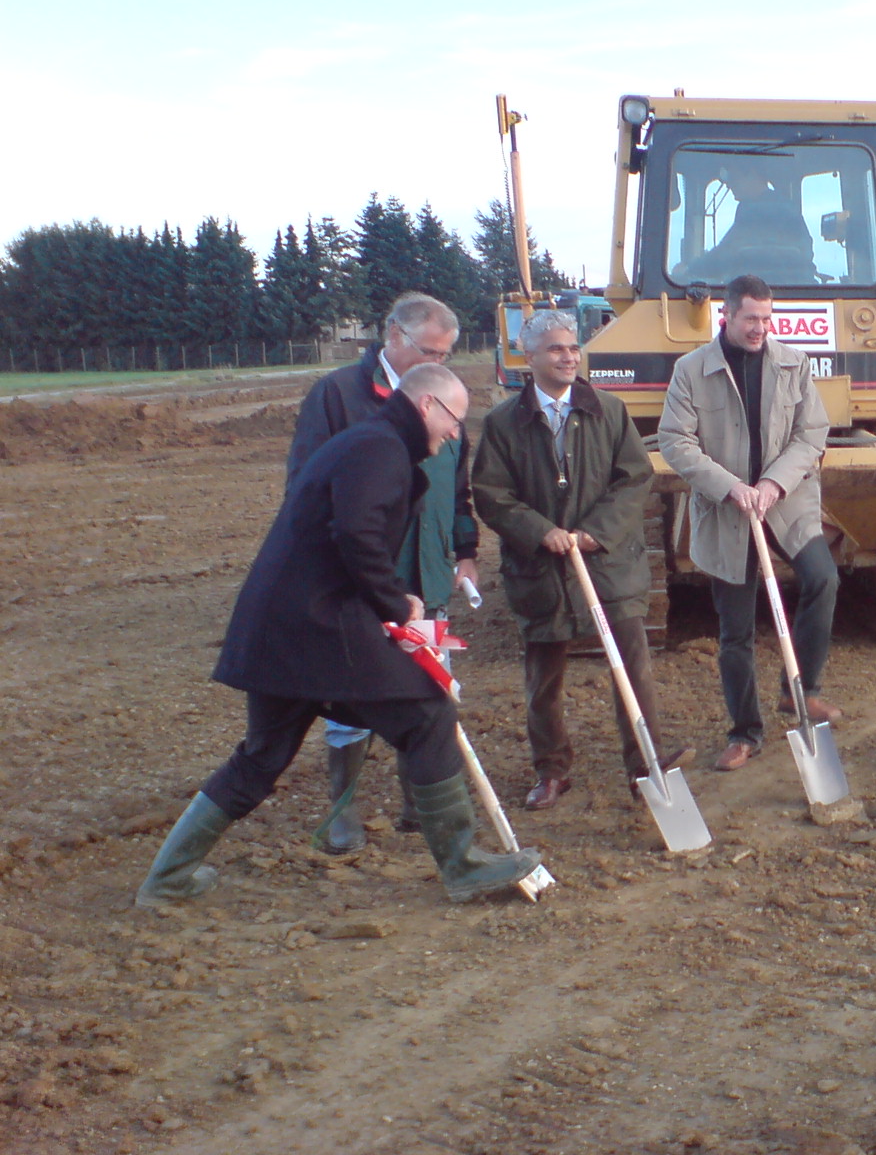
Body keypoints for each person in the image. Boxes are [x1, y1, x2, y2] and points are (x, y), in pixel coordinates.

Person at [136, 364, 541, 909]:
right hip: (318, 627)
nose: (455, 436)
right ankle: (463, 868)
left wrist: (389, 600)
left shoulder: (369, 441)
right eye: (453, 421)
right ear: (426, 406)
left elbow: (349, 534)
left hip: (281, 628)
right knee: (427, 715)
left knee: (262, 755)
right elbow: (356, 534)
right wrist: (396, 602)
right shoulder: (378, 448)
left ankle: (166, 880)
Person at [472, 310, 690, 810]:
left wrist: (596, 532)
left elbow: (635, 478)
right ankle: (551, 770)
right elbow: (490, 493)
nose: (568, 356)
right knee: (543, 677)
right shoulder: (505, 423)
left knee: (632, 668)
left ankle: (645, 764)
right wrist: (539, 531)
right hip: (541, 571)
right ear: (528, 358)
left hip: (608, 565)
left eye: (573, 347)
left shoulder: (609, 412)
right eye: (555, 349)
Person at [287, 292, 479, 852]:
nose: (437, 364)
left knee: (430, 685)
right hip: (366, 576)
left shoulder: (446, 402)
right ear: (392, 335)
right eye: (429, 352)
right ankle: (342, 811)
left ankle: (421, 804)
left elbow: (456, 489)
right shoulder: (339, 396)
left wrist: (463, 550)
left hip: (427, 567)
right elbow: (307, 489)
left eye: (445, 355)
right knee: (354, 694)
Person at [658, 273, 840, 771]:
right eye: (751, 319)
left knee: (823, 578)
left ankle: (799, 689)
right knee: (735, 630)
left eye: (767, 317)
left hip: (786, 500)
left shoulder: (793, 364)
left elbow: (812, 433)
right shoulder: (692, 370)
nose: (761, 328)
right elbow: (675, 440)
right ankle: (744, 732)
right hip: (726, 511)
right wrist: (730, 486)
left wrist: (773, 483)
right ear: (727, 316)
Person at [675, 163, 816, 285]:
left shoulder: (757, 211)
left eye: (733, 177)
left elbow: (724, 255)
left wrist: (688, 271)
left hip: (753, 294)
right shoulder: (788, 208)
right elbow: (807, 252)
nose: (729, 184)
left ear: (752, 174)